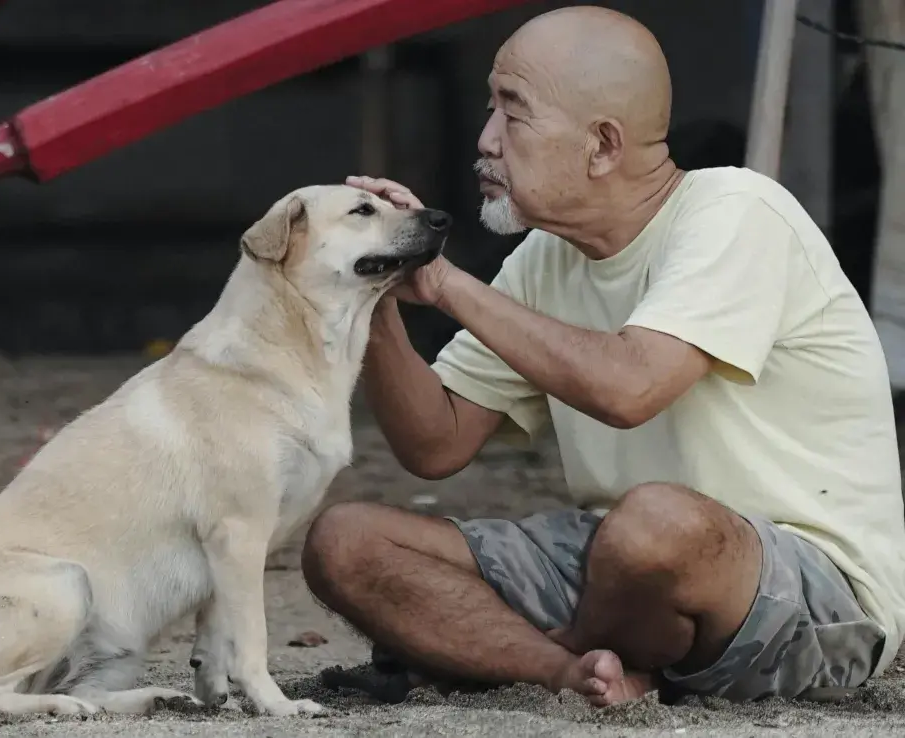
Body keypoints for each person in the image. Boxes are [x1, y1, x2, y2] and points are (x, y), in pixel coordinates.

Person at [301, 5, 905, 707]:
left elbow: (630, 387)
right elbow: (434, 444)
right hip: (619, 569)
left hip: (809, 592)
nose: (486, 140)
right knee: (345, 541)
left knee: (658, 526)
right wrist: (371, 288)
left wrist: (444, 284)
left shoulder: (739, 211)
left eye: (513, 113)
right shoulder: (545, 260)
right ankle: (577, 676)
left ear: (603, 146)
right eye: (490, 108)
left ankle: (569, 650)